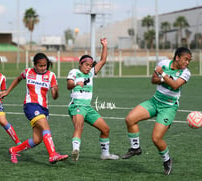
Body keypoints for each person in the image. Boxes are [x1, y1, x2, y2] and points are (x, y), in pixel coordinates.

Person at [121, 47, 192, 175]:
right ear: (177, 57)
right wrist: (165, 79)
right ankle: (135, 148)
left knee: (156, 138)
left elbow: (175, 85)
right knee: (130, 119)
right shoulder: (163, 63)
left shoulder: (186, 73)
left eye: (189, 61)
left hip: (168, 107)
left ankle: (167, 160)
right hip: (154, 101)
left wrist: (163, 75)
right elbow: (153, 80)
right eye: (185, 59)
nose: (187, 63)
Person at [0, 52, 68, 164]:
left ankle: (14, 150)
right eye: (40, 66)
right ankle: (53, 155)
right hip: (30, 106)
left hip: (44, 109)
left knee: (37, 140)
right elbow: (18, 79)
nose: (43, 68)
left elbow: (55, 96)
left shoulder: (51, 75)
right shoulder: (27, 72)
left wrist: (55, 91)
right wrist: (7, 91)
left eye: (45, 65)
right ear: (34, 65)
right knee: (46, 126)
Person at [67, 38, 119, 161]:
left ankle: (105, 154)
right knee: (79, 126)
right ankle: (76, 150)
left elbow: (103, 60)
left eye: (90, 65)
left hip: (88, 108)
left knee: (105, 129)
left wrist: (105, 45)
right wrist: (75, 84)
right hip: (77, 105)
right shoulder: (74, 72)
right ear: (80, 64)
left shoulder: (90, 74)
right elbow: (69, 85)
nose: (89, 67)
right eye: (86, 65)